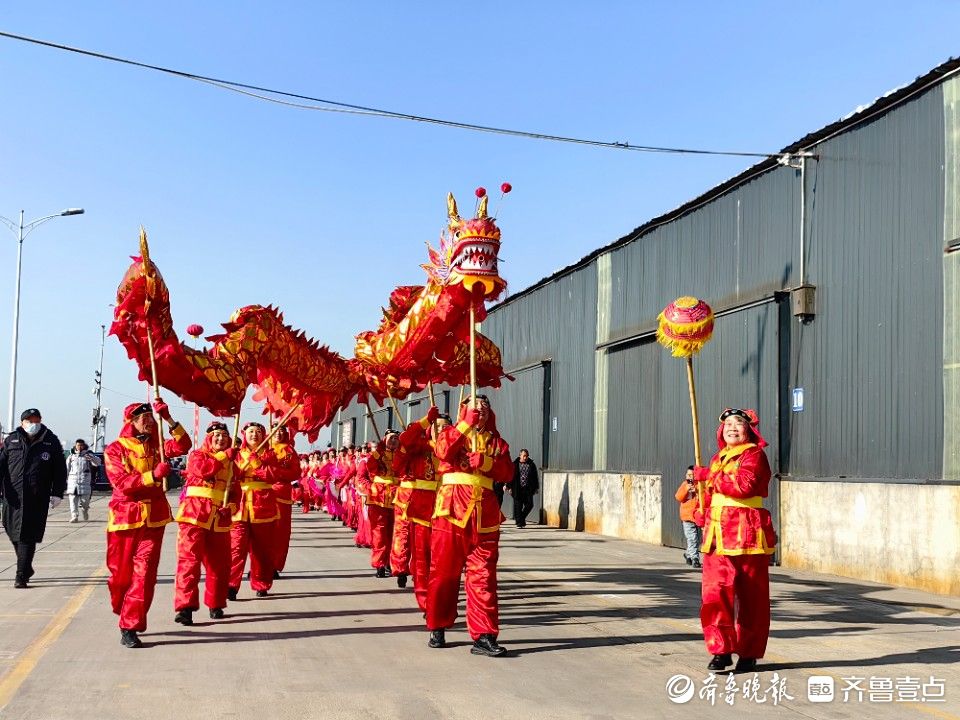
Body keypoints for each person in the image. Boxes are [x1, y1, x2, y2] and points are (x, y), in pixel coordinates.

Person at [427, 395, 512, 657]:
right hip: (451, 510)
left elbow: (507, 472)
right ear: (464, 409)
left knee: (484, 578)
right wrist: (464, 424)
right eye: (474, 404)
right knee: (444, 573)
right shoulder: (452, 432)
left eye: (485, 405)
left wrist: (486, 463)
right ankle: (438, 624)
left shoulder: (497, 441)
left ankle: (484, 635)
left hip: (485, 515)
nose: (481, 408)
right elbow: (442, 451)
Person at [693, 408, 777, 673]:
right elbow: (712, 492)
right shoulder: (718, 457)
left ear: (748, 429)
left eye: (738, 423)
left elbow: (744, 486)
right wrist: (702, 509)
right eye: (728, 424)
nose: (732, 427)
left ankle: (749, 653)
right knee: (715, 594)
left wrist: (709, 476)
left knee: (752, 597)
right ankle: (721, 650)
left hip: (747, 532)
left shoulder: (754, 454)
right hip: (717, 534)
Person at [104, 400, 191, 648]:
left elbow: (184, 445)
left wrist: (169, 419)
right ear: (130, 422)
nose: (149, 421)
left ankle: (130, 625)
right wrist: (152, 475)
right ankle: (123, 608)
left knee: (144, 575)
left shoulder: (158, 445)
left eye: (151, 417)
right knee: (120, 577)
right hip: (125, 518)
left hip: (154, 518)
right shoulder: (115, 449)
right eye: (144, 418)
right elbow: (121, 483)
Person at [173, 421, 241, 624]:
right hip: (194, 514)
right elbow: (203, 470)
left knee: (220, 565)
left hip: (218, 518)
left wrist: (229, 508)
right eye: (216, 436)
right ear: (208, 438)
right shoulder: (197, 455)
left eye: (224, 436)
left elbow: (236, 494)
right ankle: (185, 608)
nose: (220, 439)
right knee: (189, 562)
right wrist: (223, 457)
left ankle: (216, 603)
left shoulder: (232, 465)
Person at [0, 408, 67, 588]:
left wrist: (57, 492)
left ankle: (21, 575)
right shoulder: (11, 440)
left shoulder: (50, 441)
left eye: (36, 420)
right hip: (12, 497)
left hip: (37, 498)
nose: (33, 424)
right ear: (22, 422)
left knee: (27, 536)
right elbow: (1, 466)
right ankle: (27, 566)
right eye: (29, 420)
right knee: (12, 531)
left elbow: (60, 470)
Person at [393, 408, 446, 607]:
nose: (441, 429)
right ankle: (426, 600)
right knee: (421, 554)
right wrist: (425, 420)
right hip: (421, 506)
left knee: (442, 557)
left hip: (447, 506)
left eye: (445, 426)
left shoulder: (454, 447)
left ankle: (439, 596)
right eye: (437, 425)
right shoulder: (419, 447)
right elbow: (405, 439)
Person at [228, 422, 282, 599]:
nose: (254, 435)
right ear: (244, 435)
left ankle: (261, 583)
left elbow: (273, 476)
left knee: (262, 549)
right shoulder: (235, 454)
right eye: (251, 432)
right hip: (239, 505)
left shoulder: (270, 454)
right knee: (236, 547)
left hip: (263, 504)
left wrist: (257, 463)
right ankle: (230, 585)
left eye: (258, 432)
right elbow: (229, 476)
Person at [366, 431, 400, 578]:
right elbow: (370, 468)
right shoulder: (377, 455)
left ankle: (390, 563)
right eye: (391, 438)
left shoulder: (401, 454)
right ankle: (379, 563)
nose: (393, 441)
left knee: (394, 533)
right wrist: (377, 453)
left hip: (398, 497)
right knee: (379, 533)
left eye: (396, 438)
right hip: (378, 497)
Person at [270, 425, 301, 578]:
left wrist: (277, 473)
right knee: (261, 534)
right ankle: (259, 565)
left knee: (281, 533)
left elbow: (296, 472)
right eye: (275, 429)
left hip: (282, 495)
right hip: (262, 495)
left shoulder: (290, 451)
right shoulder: (264, 447)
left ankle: (275, 565)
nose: (279, 433)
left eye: (282, 430)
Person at [66, 438, 101, 522]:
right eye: (78, 445)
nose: (79, 447)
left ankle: (85, 510)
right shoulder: (71, 456)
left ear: (84, 446)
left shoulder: (88, 455)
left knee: (85, 502)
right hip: (73, 482)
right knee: (73, 500)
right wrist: (65, 479)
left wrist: (91, 458)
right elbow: (67, 468)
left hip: (85, 482)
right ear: (75, 446)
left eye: (81, 445)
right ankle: (74, 516)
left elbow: (97, 463)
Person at [674, 465, 701, 568]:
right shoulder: (684, 484)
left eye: (692, 475)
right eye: (688, 475)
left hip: (697, 517)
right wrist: (686, 489)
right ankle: (695, 558)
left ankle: (688, 554)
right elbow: (678, 497)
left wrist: (697, 491)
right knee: (692, 538)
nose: (690, 477)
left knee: (697, 539)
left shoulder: (699, 485)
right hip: (687, 517)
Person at [510, 449, 539, 528]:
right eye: (524, 456)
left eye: (527, 456)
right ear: (520, 456)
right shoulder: (514, 464)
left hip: (528, 489)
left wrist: (536, 487)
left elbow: (535, 477)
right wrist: (509, 486)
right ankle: (519, 523)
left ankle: (521, 519)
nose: (526, 458)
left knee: (530, 504)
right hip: (517, 488)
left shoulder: (531, 464)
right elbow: (510, 476)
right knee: (518, 506)